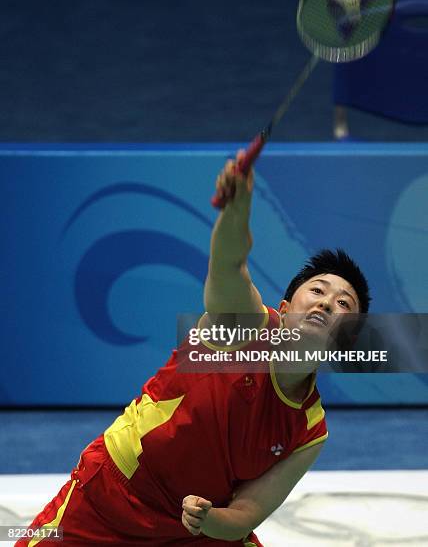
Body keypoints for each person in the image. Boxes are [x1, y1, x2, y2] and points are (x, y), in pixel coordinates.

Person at [17, 152, 370, 546]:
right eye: (318, 291)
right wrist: (238, 207)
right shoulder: (242, 329)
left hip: (195, 528)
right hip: (114, 497)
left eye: (343, 304)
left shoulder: (309, 431)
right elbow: (229, 264)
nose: (325, 303)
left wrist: (208, 518)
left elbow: (246, 514)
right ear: (284, 311)